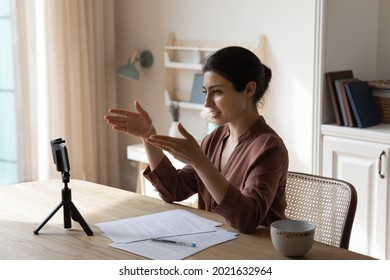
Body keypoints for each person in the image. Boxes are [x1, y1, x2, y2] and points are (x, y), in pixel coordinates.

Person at [105, 46, 289, 233]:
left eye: (217, 92)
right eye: (205, 92)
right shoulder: (214, 139)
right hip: (214, 245)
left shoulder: (269, 148)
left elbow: (247, 219)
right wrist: (147, 135)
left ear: (249, 89)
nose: (207, 102)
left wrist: (199, 161)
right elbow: (174, 189)